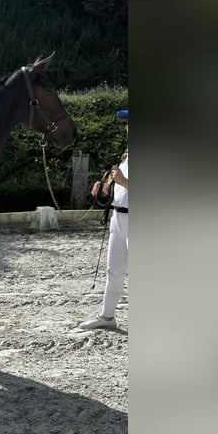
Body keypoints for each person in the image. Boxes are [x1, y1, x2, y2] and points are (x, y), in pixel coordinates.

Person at [80, 109, 128, 330]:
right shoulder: (127, 154)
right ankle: (107, 317)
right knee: (114, 269)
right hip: (119, 217)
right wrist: (107, 187)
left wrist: (124, 182)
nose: (128, 127)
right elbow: (120, 185)